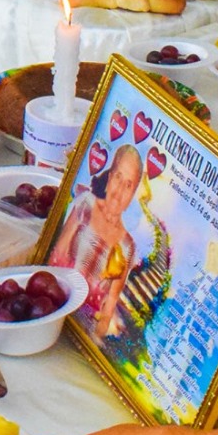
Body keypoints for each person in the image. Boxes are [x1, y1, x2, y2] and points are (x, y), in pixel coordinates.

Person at [54, 144, 143, 338]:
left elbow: (109, 307)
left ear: (132, 195)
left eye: (128, 185)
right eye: (118, 177)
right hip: (56, 305)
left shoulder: (127, 247)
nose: (119, 191)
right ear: (109, 178)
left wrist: (93, 337)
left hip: (83, 327)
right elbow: (56, 257)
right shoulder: (86, 204)